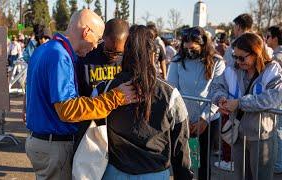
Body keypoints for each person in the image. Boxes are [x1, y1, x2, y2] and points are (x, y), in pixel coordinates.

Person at [25, 9, 137, 180]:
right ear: (86, 32)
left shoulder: (45, 49)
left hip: (41, 142)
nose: (95, 46)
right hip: (55, 144)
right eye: (97, 39)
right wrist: (115, 98)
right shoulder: (59, 56)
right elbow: (67, 109)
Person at [94, 24, 192, 180]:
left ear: (124, 54)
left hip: (114, 172)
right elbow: (180, 141)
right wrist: (183, 175)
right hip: (154, 173)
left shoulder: (105, 88)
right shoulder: (170, 94)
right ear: (152, 55)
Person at [212, 33, 282, 180]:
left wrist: (239, 103)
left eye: (242, 57)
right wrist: (220, 99)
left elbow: (273, 98)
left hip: (262, 137)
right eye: (235, 56)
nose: (238, 61)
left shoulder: (273, 70)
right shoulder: (232, 69)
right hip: (238, 136)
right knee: (240, 177)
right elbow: (217, 86)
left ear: (256, 53)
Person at [167, 26, 226, 180]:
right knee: (182, 161)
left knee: (204, 163)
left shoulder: (217, 62)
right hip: (183, 119)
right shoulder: (177, 61)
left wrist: (204, 118)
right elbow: (172, 89)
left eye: (192, 48)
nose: (188, 51)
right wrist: (184, 118)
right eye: (185, 47)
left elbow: (218, 92)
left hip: (208, 120)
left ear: (203, 45)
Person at [77, 18, 129, 97]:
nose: (112, 55)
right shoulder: (86, 56)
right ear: (103, 37)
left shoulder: (128, 60)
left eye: (118, 53)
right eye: (108, 50)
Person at [266, 25, 282, 174]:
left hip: (278, 100)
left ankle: (278, 164)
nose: (266, 39)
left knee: (278, 132)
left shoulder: (277, 57)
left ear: (275, 38)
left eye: (268, 36)